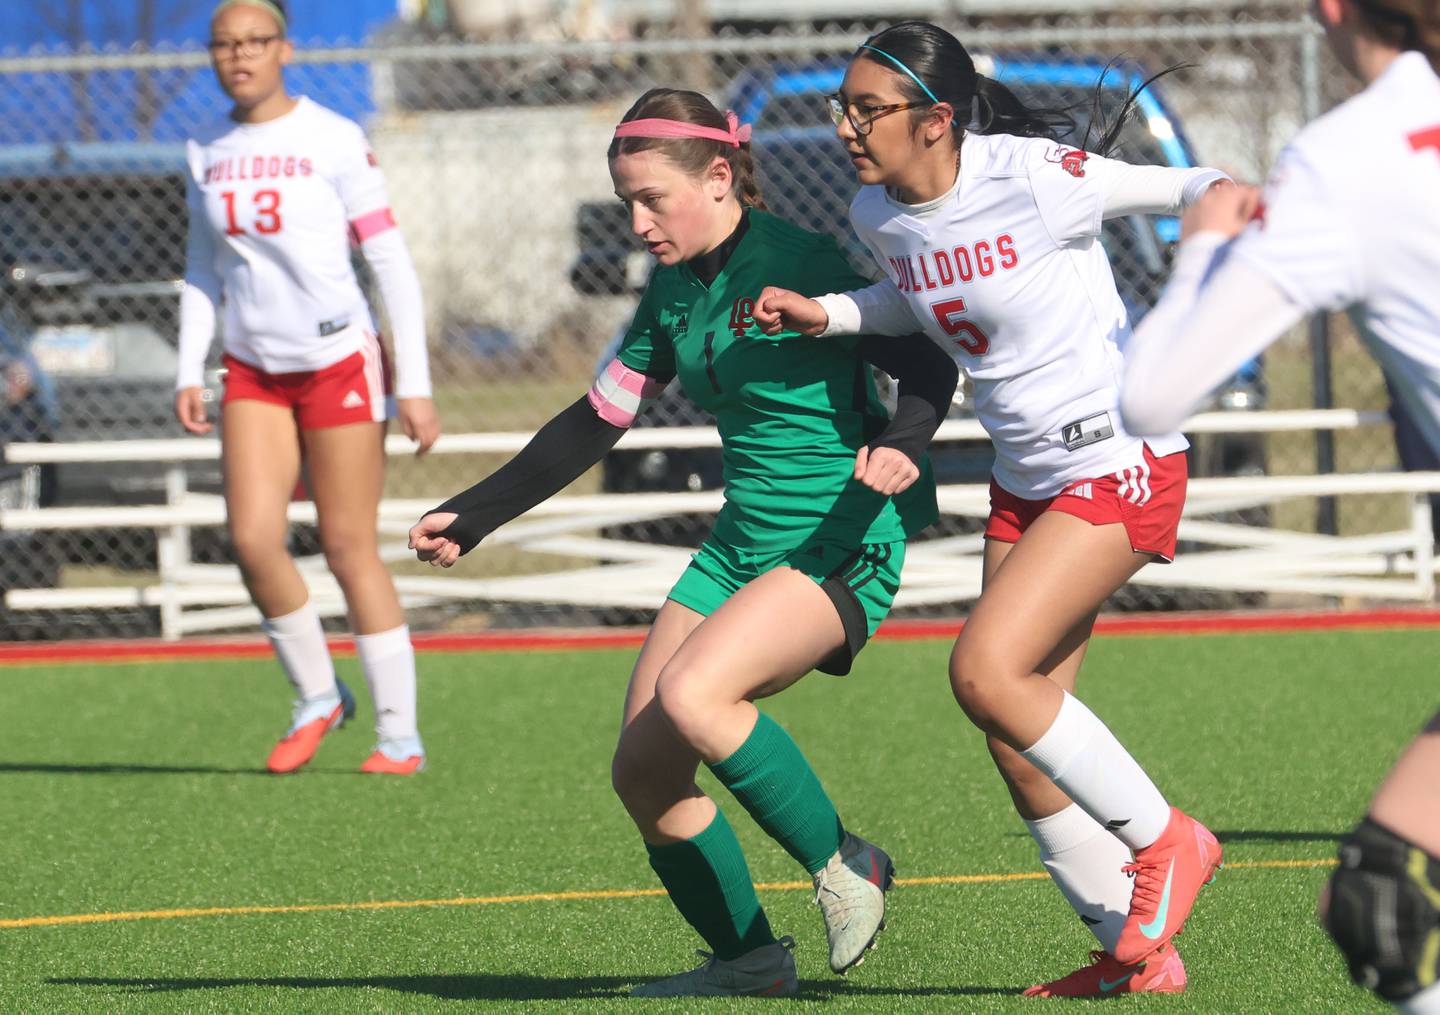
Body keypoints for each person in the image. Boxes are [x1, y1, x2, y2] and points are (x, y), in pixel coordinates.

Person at [408, 87, 957, 998]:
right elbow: (598, 417)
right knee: (645, 768)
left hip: (840, 540)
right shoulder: (670, 290)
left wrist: (900, 447)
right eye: (626, 200)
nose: (637, 220)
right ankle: (748, 957)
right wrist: (475, 511)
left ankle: (845, 860)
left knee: (697, 695)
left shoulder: (805, 260)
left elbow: (930, 357)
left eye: (652, 198)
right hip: (739, 548)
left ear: (716, 176)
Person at [752, 20, 1230, 998]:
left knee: (983, 669)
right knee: (1017, 737)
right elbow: (917, 298)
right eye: (841, 107)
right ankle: (1134, 958)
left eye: (867, 109)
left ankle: (1169, 839)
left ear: (935, 120)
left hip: (1120, 461)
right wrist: (833, 313)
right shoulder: (877, 213)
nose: (848, 124)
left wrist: (1206, 257)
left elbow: (1200, 186)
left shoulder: (1034, 175)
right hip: (1024, 481)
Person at [1119, 2, 1440, 1010]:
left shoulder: (1348, 157)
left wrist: (1205, 245)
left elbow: (1152, 394)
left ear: (1332, 10)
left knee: (1385, 903)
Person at [176, 0, 441, 776]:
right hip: (254, 369)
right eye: (224, 44)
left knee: (348, 543)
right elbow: (201, 267)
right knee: (252, 540)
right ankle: (319, 694)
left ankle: (399, 735)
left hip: (337, 362)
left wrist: (415, 385)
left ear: (284, 48)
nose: (240, 55)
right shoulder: (204, 148)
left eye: (256, 41)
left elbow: (390, 263)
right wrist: (191, 365)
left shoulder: (333, 138)